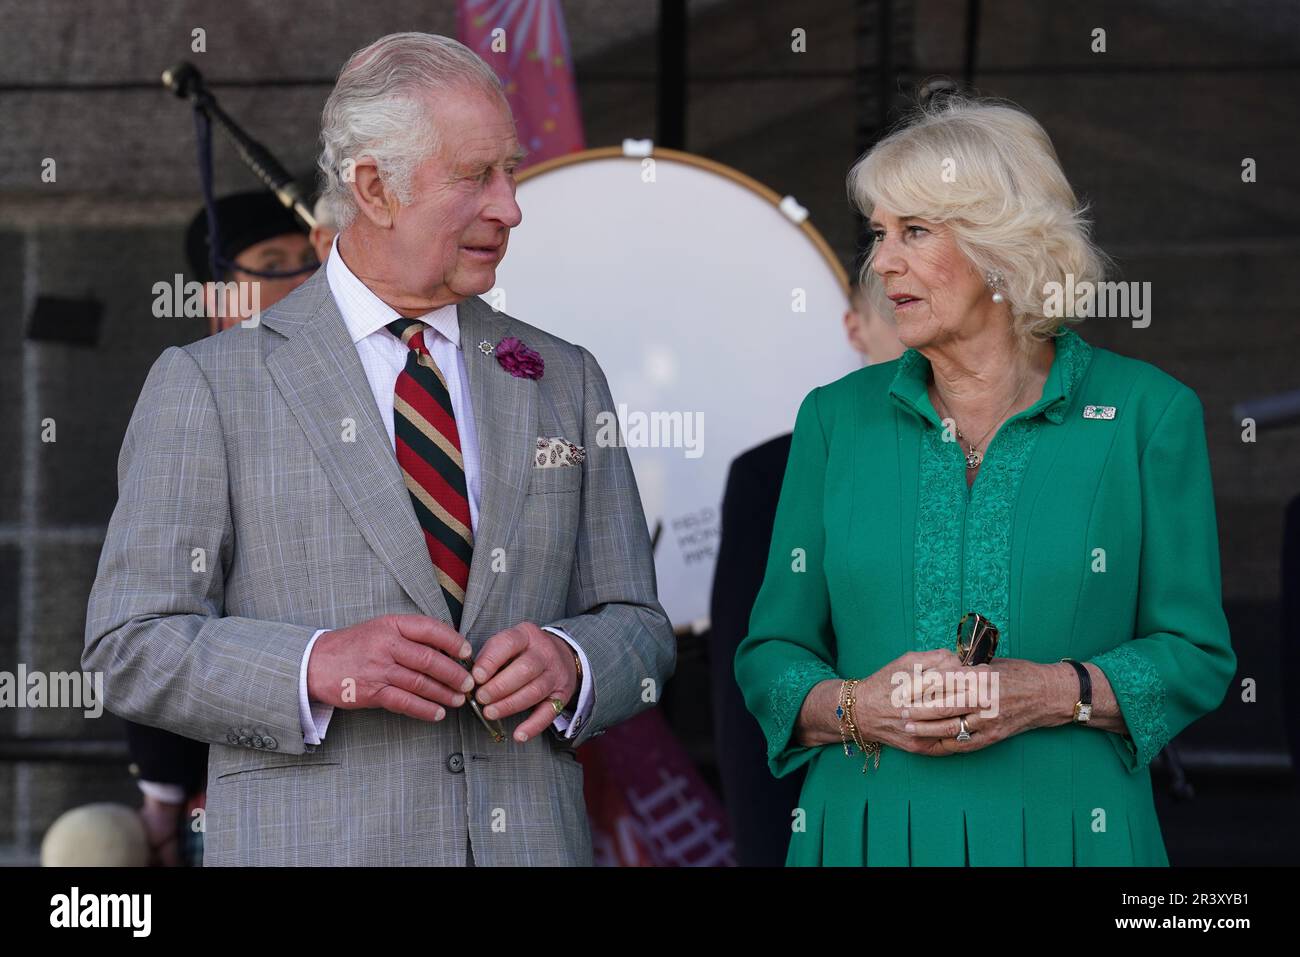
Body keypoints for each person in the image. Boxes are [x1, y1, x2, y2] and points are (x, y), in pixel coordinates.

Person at [84, 31, 674, 866]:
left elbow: (641, 626)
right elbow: (128, 645)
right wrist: (314, 664)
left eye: (509, 171)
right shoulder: (208, 384)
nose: (511, 206)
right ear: (373, 187)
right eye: (477, 176)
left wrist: (575, 663)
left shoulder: (565, 378)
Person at [735, 95, 1236, 866]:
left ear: (1004, 247)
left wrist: (1051, 690)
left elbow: (1196, 654)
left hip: (1074, 835)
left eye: (915, 232)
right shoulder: (835, 419)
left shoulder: (1147, 414)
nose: (882, 263)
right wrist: (859, 705)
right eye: (879, 233)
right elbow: (771, 652)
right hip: (865, 834)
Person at [126, 189, 322, 866]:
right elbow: (154, 616)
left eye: (308, 258)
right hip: (240, 768)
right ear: (217, 294)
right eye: (271, 262)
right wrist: (166, 787)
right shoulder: (191, 397)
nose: (300, 279)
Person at [709, 281, 900, 865]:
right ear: (855, 327)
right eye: (895, 310)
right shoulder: (774, 472)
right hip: (844, 816)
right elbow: (750, 692)